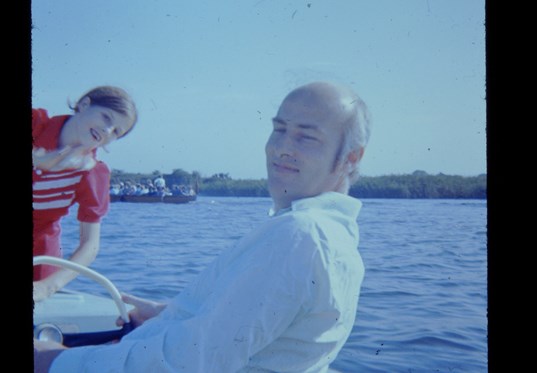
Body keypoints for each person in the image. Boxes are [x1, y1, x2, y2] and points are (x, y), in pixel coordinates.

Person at [34, 81, 371, 373]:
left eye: (306, 137)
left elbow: (187, 363)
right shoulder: (336, 239)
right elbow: (254, 322)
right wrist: (168, 312)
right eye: (280, 129)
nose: (283, 147)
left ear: (351, 158)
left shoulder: (300, 235)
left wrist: (57, 362)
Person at [32, 86, 138, 302]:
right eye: (106, 117)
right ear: (84, 105)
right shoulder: (35, 123)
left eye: (116, 132)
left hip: (40, 254)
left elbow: (90, 245)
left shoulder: (92, 174)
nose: (108, 131)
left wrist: (48, 287)